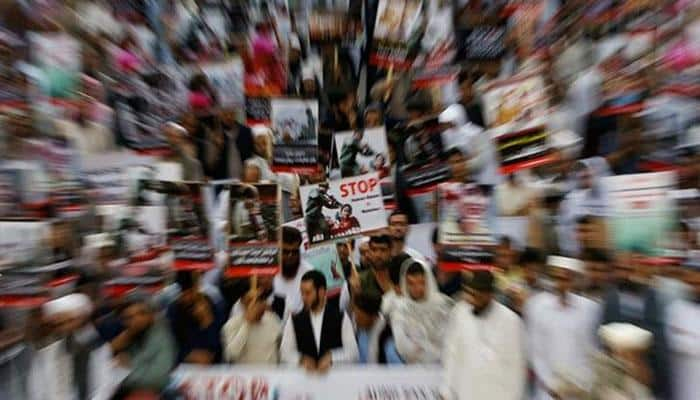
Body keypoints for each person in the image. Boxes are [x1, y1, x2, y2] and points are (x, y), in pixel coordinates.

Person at [524, 256, 601, 400]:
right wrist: (552, 386)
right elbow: (535, 351)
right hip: (548, 390)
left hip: (581, 389)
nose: (561, 284)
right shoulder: (536, 306)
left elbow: (593, 350)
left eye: (566, 279)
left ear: (574, 280)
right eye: (557, 278)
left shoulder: (590, 308)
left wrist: (583, 385)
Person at [442, 270, 526, 400]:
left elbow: (516, 366)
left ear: (490, 295)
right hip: (465, 390)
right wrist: (446, 389)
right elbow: (451, 353)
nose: (472, 300)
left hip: (497, 393)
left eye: (477, 296)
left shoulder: (511, 321)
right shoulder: (460, 312)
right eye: (470, 294)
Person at [600, 251, 672, 399]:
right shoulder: (610, 299)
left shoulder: (653, 298)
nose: (624, 275)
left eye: (628, 269)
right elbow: (604, 339)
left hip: (647, 376)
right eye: (619, 269)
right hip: (618, 379)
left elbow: (660, 344)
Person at [27, 294, 114, 400]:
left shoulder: (99, 348)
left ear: (81, 319)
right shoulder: (47, 352)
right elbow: (37, 389)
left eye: (68, 321)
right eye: (58, 324)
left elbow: (104, 388)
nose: (63, 327)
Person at [280, 270, 359, 371]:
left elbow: (353, 353)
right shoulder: (294, 319)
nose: (303, 297)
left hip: (334, 382)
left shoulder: (341, 317)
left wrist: (333, 358)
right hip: (304, 382)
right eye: (302, 293)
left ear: (321, 292)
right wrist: (301, 359)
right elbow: (285, 352)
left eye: (308, 293)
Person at [109, 293, 176, 397]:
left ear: (152, 314)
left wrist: (124, 372)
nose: (136, 320)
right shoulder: (128, 336)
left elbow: (157, 380)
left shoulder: (162, 336)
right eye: (129, 317)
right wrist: (112, 349)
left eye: (142, 313)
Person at [391, 262, 453, 363]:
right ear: (404, 283)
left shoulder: (443, 305)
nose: (417, 288)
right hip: (413, 369)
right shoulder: (399, 307)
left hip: (443, 365)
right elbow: (401, 344)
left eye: (421, 282)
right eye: (411, 283)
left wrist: (429, 350)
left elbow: (449, 339)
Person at [166, 271, 225, 364]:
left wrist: (207, 320)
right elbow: (169, 345)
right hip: (185, 366)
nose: (187, 298)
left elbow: (221, 342)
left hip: (213, 366)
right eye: (183, 295)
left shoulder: (212, 304)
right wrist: (187, 355)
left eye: (190, 292)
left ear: (196, 288)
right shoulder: (173, 310)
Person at [665, 261, 700, 400]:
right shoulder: (675, 309)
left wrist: (689, 338)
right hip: (683, 386)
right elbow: (673, 342)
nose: (696, 288)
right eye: (693, 283)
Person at [221, 287, 282, 364]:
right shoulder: (231, 324)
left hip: (272, 374)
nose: (256, 305)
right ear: (242, 303)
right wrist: (247, 324)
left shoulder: (273, 319)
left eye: (260, 300)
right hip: (247, 374)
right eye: (250, 301)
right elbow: (231, 355)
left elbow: (282, 348)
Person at [273, 226, 314, 322]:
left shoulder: (309, 273)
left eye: (294, 252)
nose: (290, 256)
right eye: (285, 252)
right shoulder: (266, 274)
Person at [352, 293, 402, 364]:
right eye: (355, 314)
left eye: (360, 317)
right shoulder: (360, 332)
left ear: (374, 317)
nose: (356, 320)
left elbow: (400, 371)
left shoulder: (388, 338)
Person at [351, 235, 394, 299]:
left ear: (390, 251)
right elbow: (347, 308)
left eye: (383, 250)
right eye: (374, 250)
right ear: (370, 251)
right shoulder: (361, 280)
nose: (378, 255)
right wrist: (355, 294)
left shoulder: (400, 274)